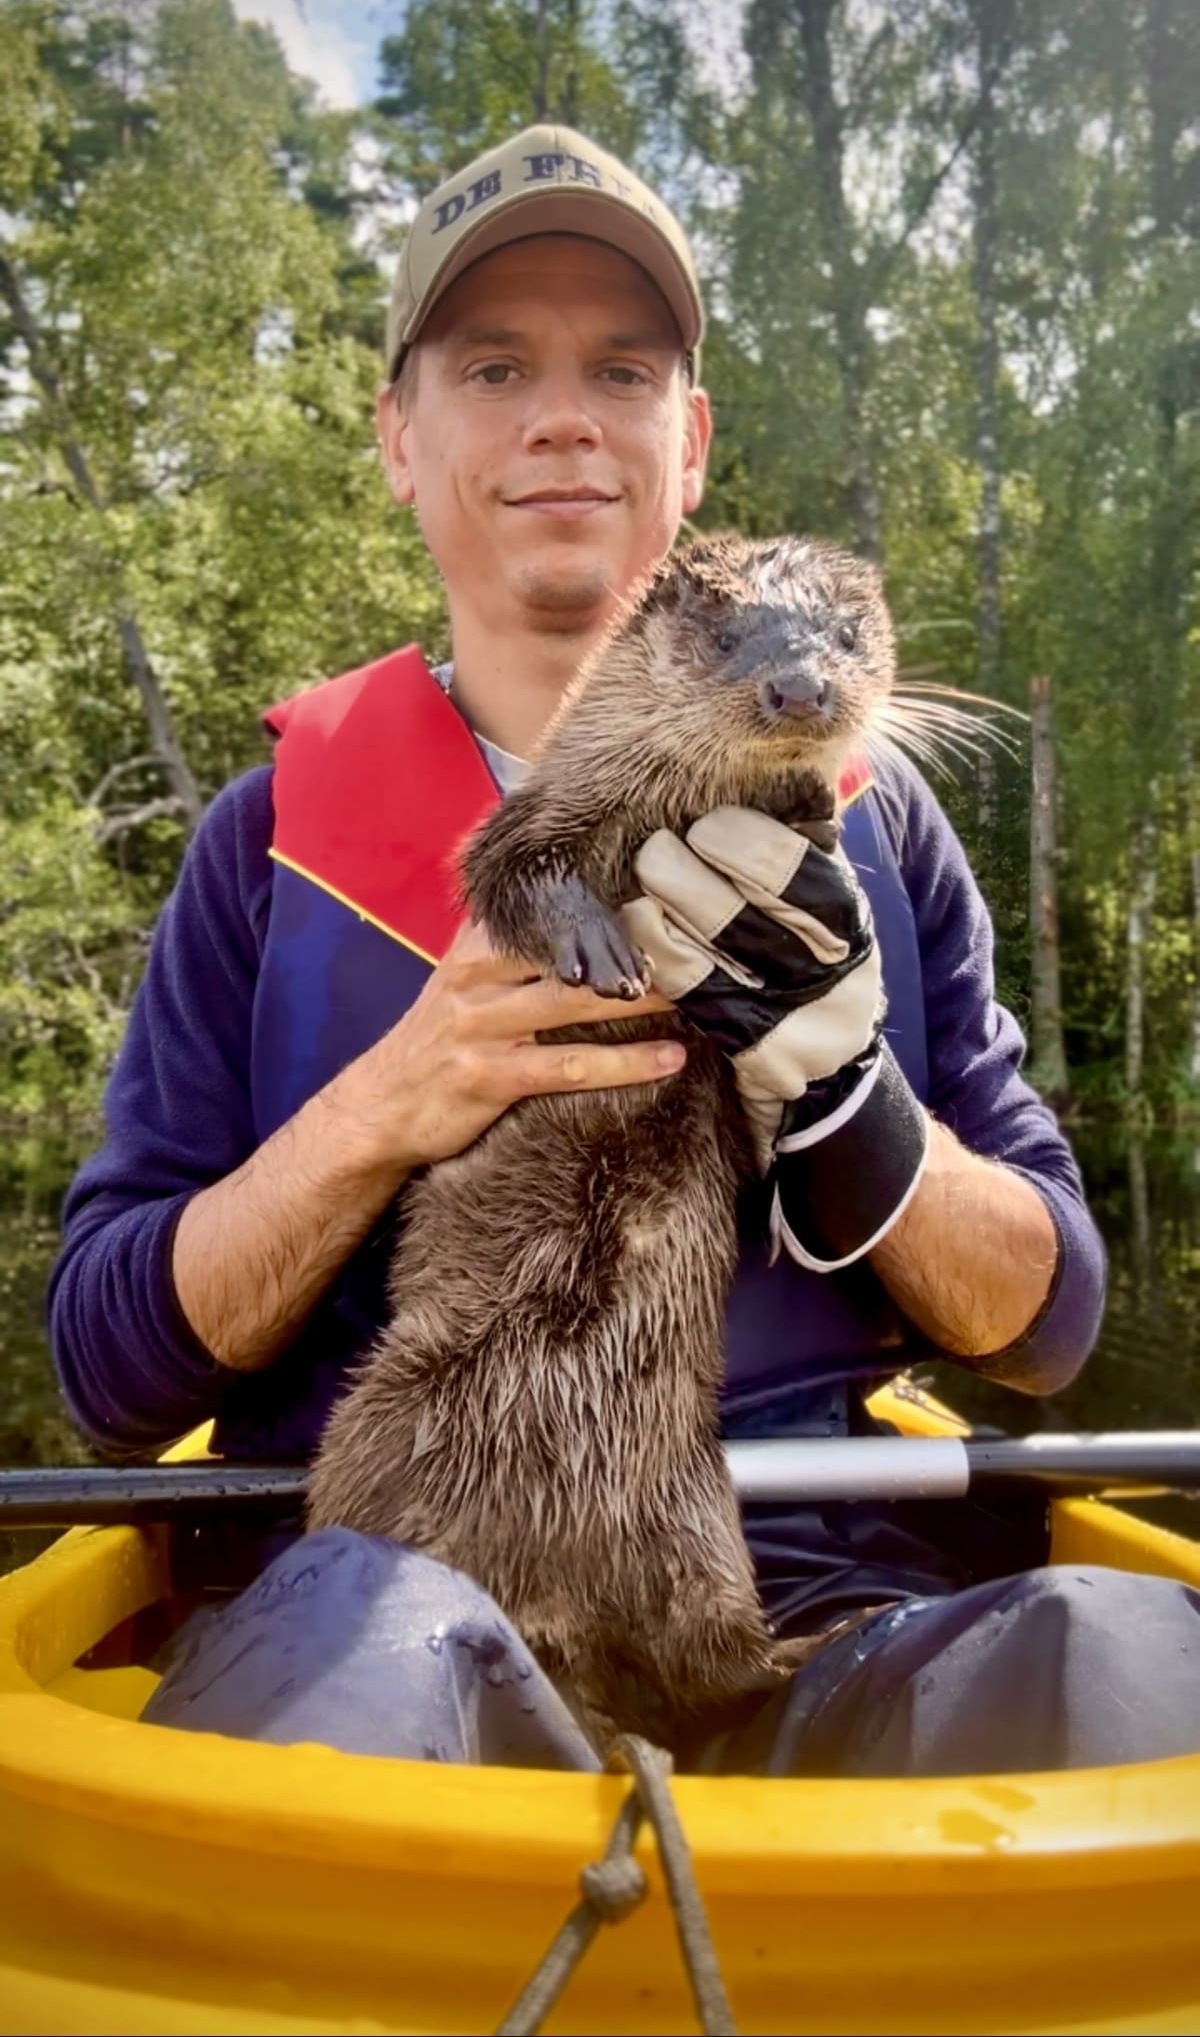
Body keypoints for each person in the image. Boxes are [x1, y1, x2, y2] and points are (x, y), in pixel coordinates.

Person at [49, 125, 1199, 1776]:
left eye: (623, 368)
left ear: (691, 441)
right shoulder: (263, 843)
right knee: (352, 1703)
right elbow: (108, 1374)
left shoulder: (879, 834)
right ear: (398, 438)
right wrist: (383, 1109)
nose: (564, 418)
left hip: (807, 1588)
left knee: (1125, 1661)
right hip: (385, 1577)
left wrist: (851, 1096)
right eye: (494, 367)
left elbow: (1052, 1326)